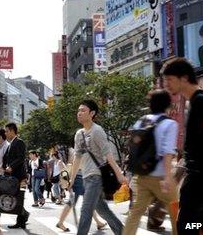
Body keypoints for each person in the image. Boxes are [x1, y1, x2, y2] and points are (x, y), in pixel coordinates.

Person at [123, 89, 179, 235]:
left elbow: (133, 147)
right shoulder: (169, 124)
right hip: (160, 176)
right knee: (176, 212)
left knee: (135, 213)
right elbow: (168, 152)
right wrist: (167, 177)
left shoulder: (140, 121)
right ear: (167, 105)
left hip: (142, 175)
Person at [161, 57, 203, 234]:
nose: (166, 84)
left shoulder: (200, 101)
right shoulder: (192, 102)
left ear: (185, 78)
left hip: (199, 178)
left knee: (186, 226)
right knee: (196, 225)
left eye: (170, 79)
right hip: (196, 175)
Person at [69, 100, 126, 235]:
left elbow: (108, 154)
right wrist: (72, 178)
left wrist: (119, 173)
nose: (79, 113)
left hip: (97, 176)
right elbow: (77, 157)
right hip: (86, 176)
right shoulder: (79, 134)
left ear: (92, 113)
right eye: (79, 110)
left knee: (86, 210)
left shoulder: (97, 130)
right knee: (102, 209)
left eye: (83, 110)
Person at [2, 122, 29, 229]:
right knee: (15, 198)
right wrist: (5, 167)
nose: (5, 133)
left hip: (19, 175)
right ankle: (24, 215)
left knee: (17, 198)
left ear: (12, 131)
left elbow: (21, 158)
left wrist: (11, 167)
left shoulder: (19, 142)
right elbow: (6, 158)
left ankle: (21, 221)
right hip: (12, 175)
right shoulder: (11, 144)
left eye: (7, 131)